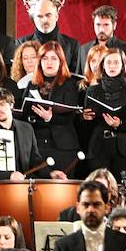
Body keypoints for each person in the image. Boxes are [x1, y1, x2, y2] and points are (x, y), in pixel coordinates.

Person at [48, 180, 126, 251]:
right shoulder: (63, 246)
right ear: (78, 208)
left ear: (107, 208)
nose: (90, 210)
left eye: (96, 204)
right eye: (86, 204)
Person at [0, 88, 65, 180]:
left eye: (2, 104)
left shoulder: (26, 128)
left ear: (11, 105)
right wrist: (9, 175)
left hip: (22, 185)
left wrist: (50, 173)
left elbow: (35, 160)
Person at [20, 41, 80, 176]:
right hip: (37, 145)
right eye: (45, 58)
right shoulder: (32, 84)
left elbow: (71, 114)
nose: (49, 62)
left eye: (54, 58)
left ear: (61, 61)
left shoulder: (69, 84)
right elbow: (24, 111)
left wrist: (50, 117)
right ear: (39, 61)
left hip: (62, 145)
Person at [83, 48, 126, 175]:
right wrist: (85, 118)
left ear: (122, 65)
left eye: (116, 62)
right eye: (108, 62)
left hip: (123, 147)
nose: (112, 66)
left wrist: (119, 124)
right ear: (103, 65)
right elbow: (86, 127)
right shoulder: (92, 91)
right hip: (98, 146)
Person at [15, 0, 81, 72]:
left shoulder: (72, 45)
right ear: (33, 19)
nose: (44, 20)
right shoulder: (21, 43)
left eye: (48, 15)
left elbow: (76, 78)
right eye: (40, 16)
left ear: (56, 16)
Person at [78, 5, 126, 74]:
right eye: (98, 25)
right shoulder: (84, 49)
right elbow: (79, 78)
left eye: (106, 25)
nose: (101, 29)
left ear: (114, 25)